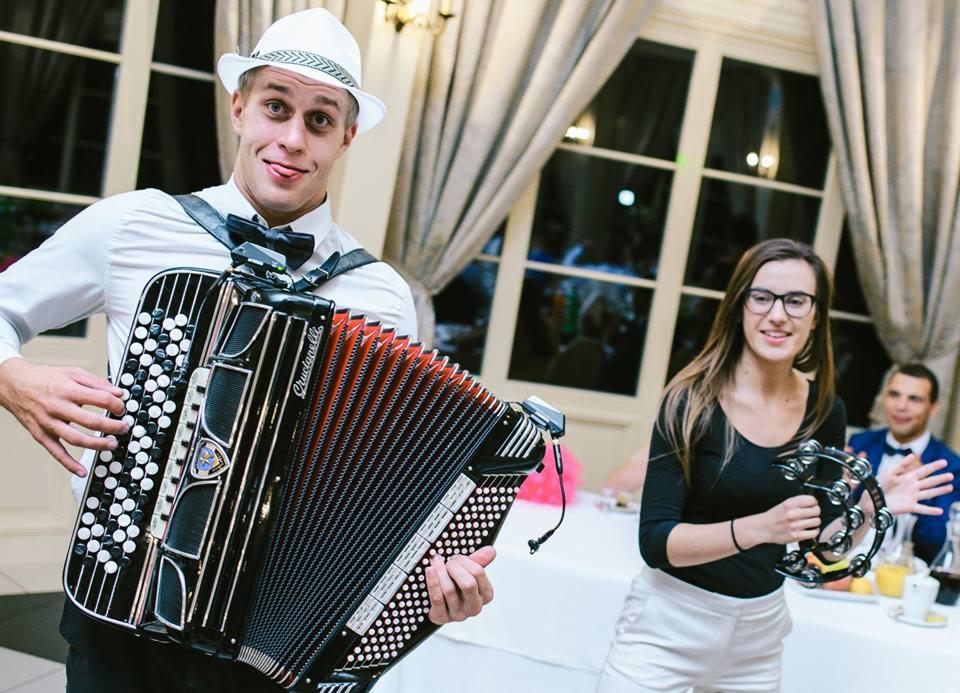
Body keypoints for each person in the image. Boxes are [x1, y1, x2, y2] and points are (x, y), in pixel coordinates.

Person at [0, 9, 495, 691]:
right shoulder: (137, 223)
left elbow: (384, 483)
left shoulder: (380, 294)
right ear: (238, 107)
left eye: (320, 120)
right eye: (275, 106)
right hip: (121, 600)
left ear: (347, 136)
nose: (292, 138)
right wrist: (13, 377)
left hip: (273, 637)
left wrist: (429, 583)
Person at [596, 239, 954, 692]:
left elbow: (822, 548)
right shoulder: (690, 402)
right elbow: (656, 541)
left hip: (757, 635)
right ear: (740, 305)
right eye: (762, 297)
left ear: (815, 316)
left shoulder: (825, 410)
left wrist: (867, 505)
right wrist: (761, 528)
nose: (778, 314)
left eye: (796, 301)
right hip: (667, 624)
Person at [848, 363, 960, 563]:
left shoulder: (950, 467)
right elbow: (834, 519)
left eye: (914, 399)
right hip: (848, 559)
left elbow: (938, 547)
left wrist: (918, 493)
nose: (901, 406)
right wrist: (846, 488)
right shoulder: (860, 443)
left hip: (904, 575)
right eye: (894, 395)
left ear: (933, 408)